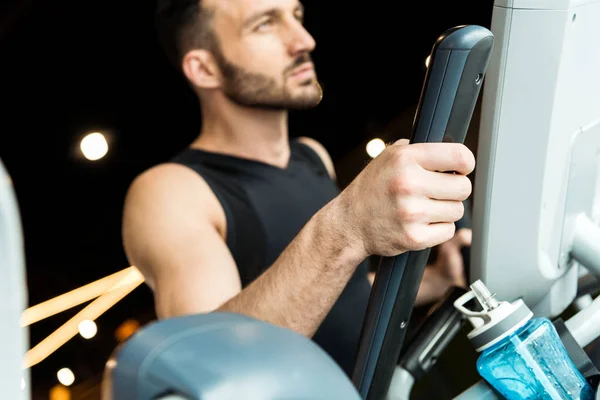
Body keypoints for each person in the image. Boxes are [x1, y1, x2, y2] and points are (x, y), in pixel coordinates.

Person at [121, 0, 474, 376]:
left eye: (297, 16)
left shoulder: (310, 155)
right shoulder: (170, 191)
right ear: (205, 68)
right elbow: (212, 366)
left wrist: (435, 281)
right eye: (265, 24)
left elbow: (345, 294)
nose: (303, 40)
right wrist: (346, 227)